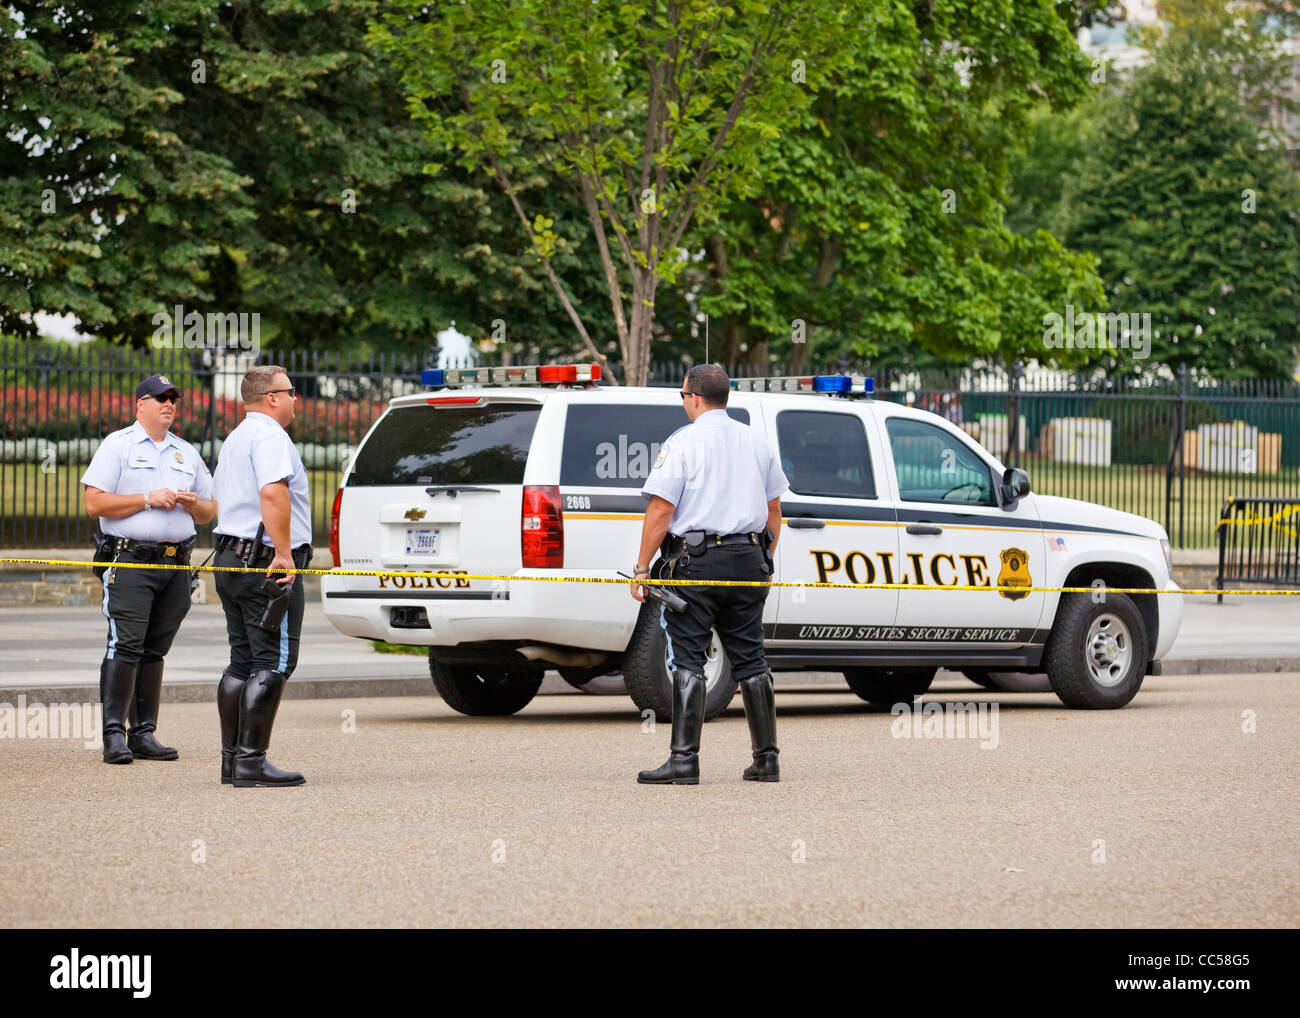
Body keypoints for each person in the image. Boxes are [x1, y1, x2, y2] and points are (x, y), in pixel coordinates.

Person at [631, 364, 789, 784]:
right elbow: (774, 514)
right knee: (752, 661)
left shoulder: (683, 443)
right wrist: (764, 561)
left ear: (694, 398)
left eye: (683, 395)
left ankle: (684, 761)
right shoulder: (756, 441)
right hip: (749, 561)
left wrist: (642, 568)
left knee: (688, 660)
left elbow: (661, 511)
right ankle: (766, 759)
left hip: (696, 564)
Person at [82, 374, 216, 764]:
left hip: (175, 564)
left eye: (173, 398)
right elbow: (95, 503)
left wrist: (192, 504)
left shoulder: (186, 453)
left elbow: (210, 511)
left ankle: (144, 733)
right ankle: (113, 735)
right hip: (130, 562)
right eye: (160, 398)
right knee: (125, 645)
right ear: (139, 404)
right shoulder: (118, 445)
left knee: (155, 651)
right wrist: (147, 499)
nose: (168, 404)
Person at [211, 365, 312, 788]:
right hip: (267, 563)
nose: (295, 399)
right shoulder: (271, 436)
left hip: (231, 558)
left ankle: (233, 761)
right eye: (290, 392)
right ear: (272, 398)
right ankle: (252, 762)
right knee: (273, 662)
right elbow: (273, 491)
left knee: (242, 661)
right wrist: (285, 555)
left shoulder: (236, 437)